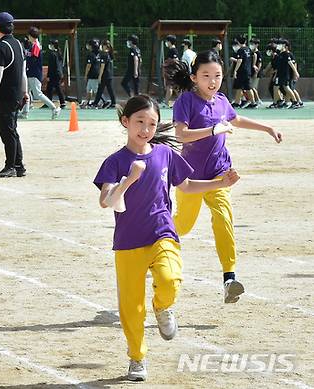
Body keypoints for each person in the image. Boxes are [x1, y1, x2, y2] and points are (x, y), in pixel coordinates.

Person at [95, 94, 240, 382]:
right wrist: (128, 181)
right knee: (131, 308)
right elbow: (105, 200)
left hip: (162, 233)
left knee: (171, 278)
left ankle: (162, 307)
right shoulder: (115, 161)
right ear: (126, 122)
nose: (145, 129)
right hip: (128, 242)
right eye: (139, 122)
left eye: (152, 124)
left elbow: (185, 185)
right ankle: (137, 358)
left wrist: (219, 183)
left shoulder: (164, 154)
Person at [164, 50, 283, 303]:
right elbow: (182, 135)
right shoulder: (186, 101)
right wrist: (213, 129)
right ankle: (155, 236)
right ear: (195, 77)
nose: (212, 81)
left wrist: (268, 128)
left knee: (223, 218)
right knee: (182, 225)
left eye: (217, 75)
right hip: (191, 177)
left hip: (220, 174)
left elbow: (236, 119)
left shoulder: (221, 100)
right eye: (206, 75)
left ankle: (229, 278)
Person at [0, 12, 28, 178]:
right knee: (13, 130)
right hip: (16, 94)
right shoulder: (18, 44)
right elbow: (23, 71)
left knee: (7, 132)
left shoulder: (0, 47)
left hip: (5, 96)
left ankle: (11, 166)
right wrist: (25, 92)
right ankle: (19, 165)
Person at [21, 26, 60, 120]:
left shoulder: (36, 45)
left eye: (28, 35)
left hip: (34, 73)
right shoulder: (32, 45)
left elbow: (33, 58)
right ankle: (25, 113)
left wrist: (25, 53)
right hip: (30, 73)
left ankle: (54, 108)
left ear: (31, 35)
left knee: (38, 94)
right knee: (26, 92)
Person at [230, 36, 256, 108]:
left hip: (242, 71)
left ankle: (252, 103)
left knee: (244, 87)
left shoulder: (240, 50)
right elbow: (254, 55)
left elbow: (240, 60)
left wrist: (235, 70)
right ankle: (238, 102)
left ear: (238, 42)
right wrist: (253, 65)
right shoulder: (248, 49)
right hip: (248, 71)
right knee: (242, 87)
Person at [93, 39, 116, 109]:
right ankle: (113, 103)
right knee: (108, 89)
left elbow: (102, 66)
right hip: (109, 75)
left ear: (104, 46)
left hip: (105, 75)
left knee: (100, 89)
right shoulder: (108, 54)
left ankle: (95, 103)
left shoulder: (104, 54)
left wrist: (100, 76)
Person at [45, 38, 65, 109]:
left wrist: (48, 76)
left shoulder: (52, 54)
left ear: (53, 45)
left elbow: (51, 66)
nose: (49, 45)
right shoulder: (59, 53)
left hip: (54, 74)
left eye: (50, 44)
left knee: (51, 88)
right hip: (59, 73)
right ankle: (62, 102)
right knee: (55, 88)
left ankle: (50, 102)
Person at [82, 39, 101, 108]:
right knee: (89, 89)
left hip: (93, 75)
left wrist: (85, 74)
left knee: (95, 90)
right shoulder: (99, 54)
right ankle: (87, 102)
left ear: (91, 46)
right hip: (96, 74)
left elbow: (88, 65)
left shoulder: (91, 54)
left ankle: (99, 103)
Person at [161, 35, 179, 108]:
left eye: (167, 41)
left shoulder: (173, 50)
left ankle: (166, 103)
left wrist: (167, 63)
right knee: (175, 88)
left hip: (171, 72)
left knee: (170, 87)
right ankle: (183, 101)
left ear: (170, 42)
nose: (166, 43)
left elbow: (176, 61)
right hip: (170, 72)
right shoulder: (171, 50)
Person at [248, 38, 262, 105]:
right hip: (251, 72)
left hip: (255, 73)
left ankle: (258, 100)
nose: (251, 45)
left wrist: (256, 73)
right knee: (251, 87)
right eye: (250, 44)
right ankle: (253, 100)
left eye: (252, 44)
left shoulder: (258, 53)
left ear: (257, 45)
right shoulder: (251, 52)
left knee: (252, 87)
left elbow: (259, 64)